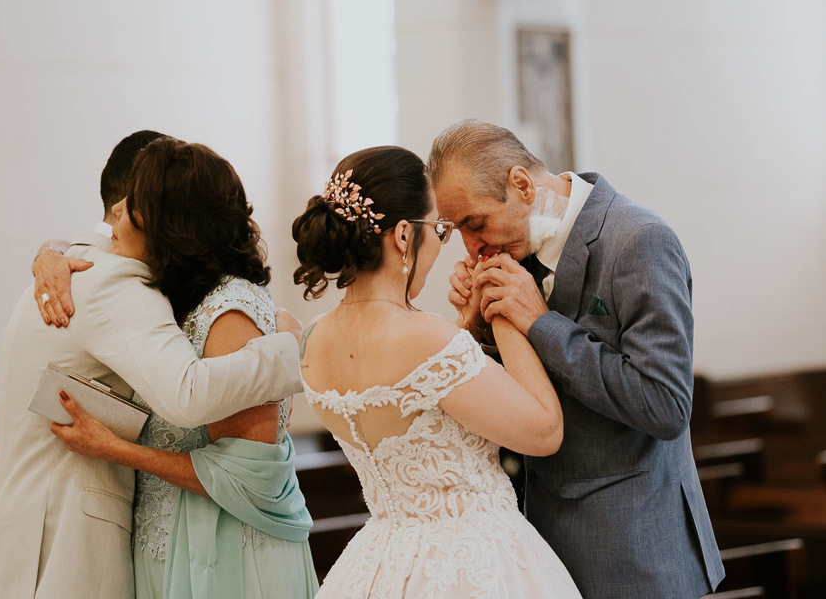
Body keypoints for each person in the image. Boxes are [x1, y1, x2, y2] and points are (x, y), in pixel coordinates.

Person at [0, 133, 304, 599]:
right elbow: (189, 396)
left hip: (29, 538)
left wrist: (46, 249)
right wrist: (293, 346)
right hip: (69, 547)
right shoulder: (114, 282)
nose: (119, 214)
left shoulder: (72, 264)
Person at [435, 119, 724, 598]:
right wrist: (483, 328)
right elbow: (525, 397)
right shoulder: (518, 248)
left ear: (521, 185)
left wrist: (541, 323)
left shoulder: (639, 240)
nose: (472, 247)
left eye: (476, 223)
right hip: (542, 550)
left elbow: (666, 405)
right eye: (456, 231)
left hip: (634, 554)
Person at [292, 145, 582, 598]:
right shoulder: (427, 338)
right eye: (441, 230)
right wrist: (503, 308)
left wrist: (466, 328)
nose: (444, 246)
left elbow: (413, 388)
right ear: (405, 236)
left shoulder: (312, 340)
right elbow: (544, 431)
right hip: (472, 563)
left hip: (380, 564)